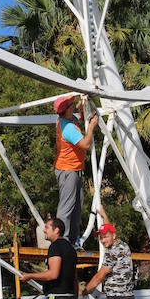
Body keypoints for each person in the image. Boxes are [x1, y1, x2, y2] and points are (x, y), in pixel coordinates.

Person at [53, 94, 99, 248]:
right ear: (66, 110)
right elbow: (85, 144)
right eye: (71, 106)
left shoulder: (65, 120)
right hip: (68, 170)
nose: (73, 107)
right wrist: (91, 127)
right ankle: (62, 241)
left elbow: (76, 120)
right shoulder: (68, 128)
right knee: (66, 207)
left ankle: (72, 239)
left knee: (77, 206)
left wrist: (81, 110)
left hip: (72, 170)